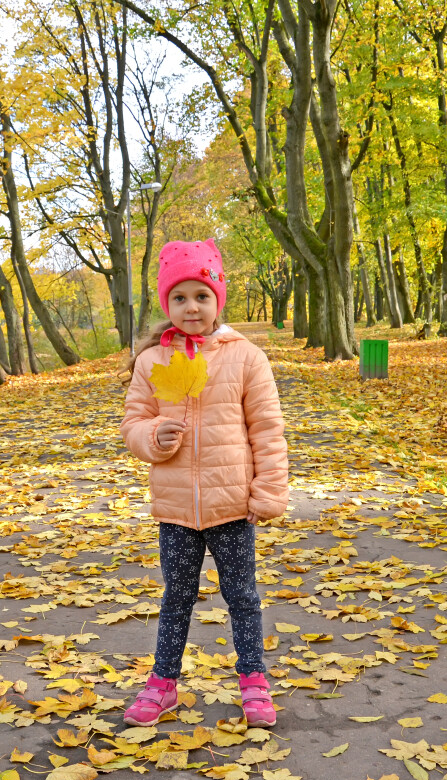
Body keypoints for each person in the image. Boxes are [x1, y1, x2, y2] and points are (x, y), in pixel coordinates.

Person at [120, 238, 289, 728]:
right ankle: (162, 684)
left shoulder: (246, 358)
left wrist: (268, 491)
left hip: (233, 505)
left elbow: (267, 428)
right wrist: (154, 435)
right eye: (179, 297)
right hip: (176, 509)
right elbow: (133, 424)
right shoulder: (153, 361)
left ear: (218, 299)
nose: (190, 307)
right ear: (165, 303)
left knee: (242, 597)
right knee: (176, 597)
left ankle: (254, 679)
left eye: (201, 295)